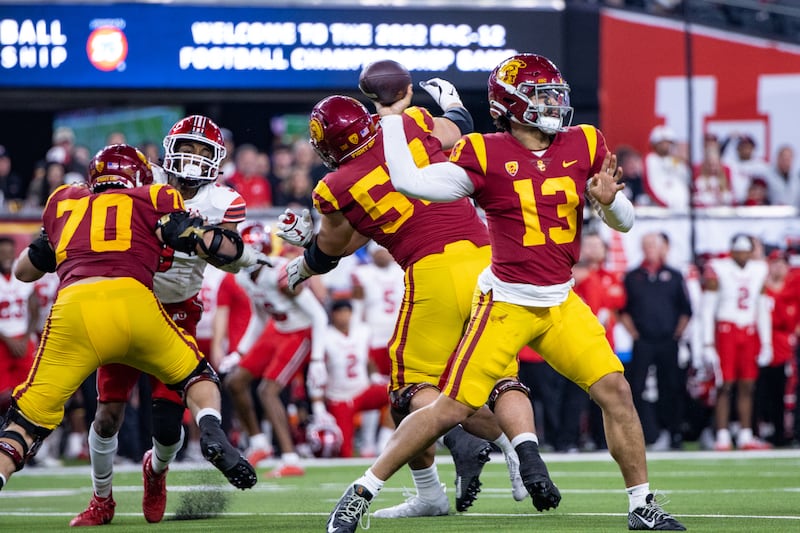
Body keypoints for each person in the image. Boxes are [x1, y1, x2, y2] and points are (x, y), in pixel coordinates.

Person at [322, 53, 686, 532]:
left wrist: (609, 201)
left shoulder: (586, 142)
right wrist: (391, 119)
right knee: (448, 408)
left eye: (555, 93)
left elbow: (625, 221)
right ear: (510, 105)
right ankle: (360, 492)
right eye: (540, 95)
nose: (553, 103)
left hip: (559, 300)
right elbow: (411, 181)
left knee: (616, 391)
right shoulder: (485, 151)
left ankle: (641, 505)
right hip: (507, 302)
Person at [278, 86, 527, 517]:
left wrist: (304, 256)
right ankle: (520, 454)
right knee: (494, 379)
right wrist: (452, 102)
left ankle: (448, 471)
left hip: (434, 270)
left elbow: (330, 250)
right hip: (490, 260)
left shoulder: (334, 185)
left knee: (408, 390)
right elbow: (459, 128)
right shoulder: (407, 125)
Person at [0, 144, 257, 507]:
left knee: (25, 420)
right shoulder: (155, 196)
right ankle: (212, 428)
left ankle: (6, 464)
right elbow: (206, 243)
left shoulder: (64, 200)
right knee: (197, 378)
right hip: (136, 304)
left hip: (74, 310)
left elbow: (23, 271)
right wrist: (241, 251)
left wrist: (49, 243)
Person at [72, 117, 267, 527]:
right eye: (188, 147)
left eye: (202, 150)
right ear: (169, 148)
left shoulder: (225, 200)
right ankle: (101, 499)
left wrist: (192, 234)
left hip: (178, 310)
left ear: (216, 159)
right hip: (128, 300)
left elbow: (226, 256)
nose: (193, 158)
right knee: (108, 412)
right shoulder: (144, 180)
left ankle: (155, 473)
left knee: (165, 423)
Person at [222, 221, 328, 477]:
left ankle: (291, 459)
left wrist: (317, 360)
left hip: (298, 332)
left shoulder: (281, 274)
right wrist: (239, 352)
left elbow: (319, 316)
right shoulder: (244, 277)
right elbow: (260, 317)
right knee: (235, 382)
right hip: (276, 329)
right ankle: (260, 444)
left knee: (268, 391)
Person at [619, 232, 693, 450]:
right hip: (643, 341)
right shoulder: (632, 276)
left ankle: (674, 432)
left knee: (671, 387)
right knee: (636, 387)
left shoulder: (674, 275)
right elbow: (623, 309)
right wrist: (634, 334)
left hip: (668, 341)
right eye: (646, 245)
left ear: (663, 248)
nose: (650, 249)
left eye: (654, 245)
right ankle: (645, 434)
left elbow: (686, 310)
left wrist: (677, 334)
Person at [700, 233, 773, 451]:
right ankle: (722, 435)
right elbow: (707, 308)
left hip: (749, 330)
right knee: (725, 384)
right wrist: (707, 343)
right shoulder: (718, 268)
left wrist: (766, 342)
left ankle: (745, 434)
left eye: (746, 250)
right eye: (738, 250)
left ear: (751, 251)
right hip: (726, 329)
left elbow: (761, 307)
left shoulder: (760, 269)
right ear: (731, 250)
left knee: (748, 385)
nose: (742, 254)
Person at [309, 299, 391, 458]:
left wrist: (373, 375)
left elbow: (367, 358)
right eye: (340, 313)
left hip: (363, 390)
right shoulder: (324, 336)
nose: (344, 316)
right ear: (332, 315)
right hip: (340, 399)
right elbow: (316, 373)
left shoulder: (362, 331)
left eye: (347, 312)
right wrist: (317, 405)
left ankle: (383, 442)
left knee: (398, 393)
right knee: (344, 453)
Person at [0, 237, 37, 415]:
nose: (6, 256)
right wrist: (8, 340)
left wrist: (24, 338)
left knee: (27, 393)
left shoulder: (22, 273)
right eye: (2, 253)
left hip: (23, 339)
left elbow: (34, 310)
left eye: (9, 252)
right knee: (2, 396)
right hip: (2, 340)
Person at [642, 125, 691, 212]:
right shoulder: (651, 159)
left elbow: (687, 180)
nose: (665, 146)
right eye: (661, 143)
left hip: (682, 209)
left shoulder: (676, 160)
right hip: (660, 209)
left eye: (668, 142)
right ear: (654, 144)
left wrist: (681, 161)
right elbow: (650, 184)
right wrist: (664, 204)